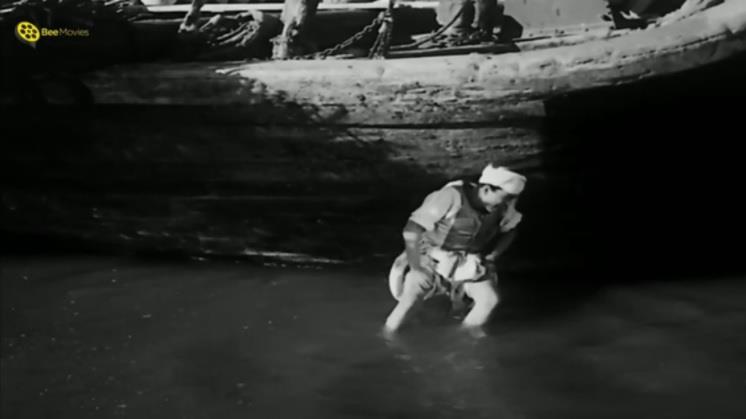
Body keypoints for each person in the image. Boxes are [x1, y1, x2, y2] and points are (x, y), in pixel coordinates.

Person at [383, 164, 526, 336]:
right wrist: (415, 266)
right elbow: (412, 229)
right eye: (507, 197)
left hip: (469, 260)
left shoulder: (504, 207)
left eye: (512, 198)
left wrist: (492, 257)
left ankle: (461, 338)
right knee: (409, 302)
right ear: (487, 189)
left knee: (490, 300)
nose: (509, 203)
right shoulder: (450, 197)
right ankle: (387, 336)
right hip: (430, 255)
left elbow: (510, 231)